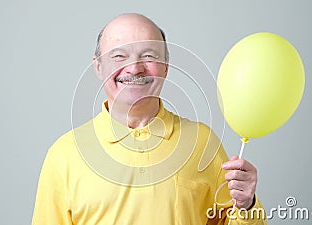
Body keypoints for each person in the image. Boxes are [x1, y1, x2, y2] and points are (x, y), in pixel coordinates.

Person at [31, 13, 267, 225]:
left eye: (148, 55)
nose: (134, 68)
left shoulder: (202, 142)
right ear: (98, 67)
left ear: (165, 66)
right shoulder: (63, 155)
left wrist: (246, 206)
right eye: (119, 56)